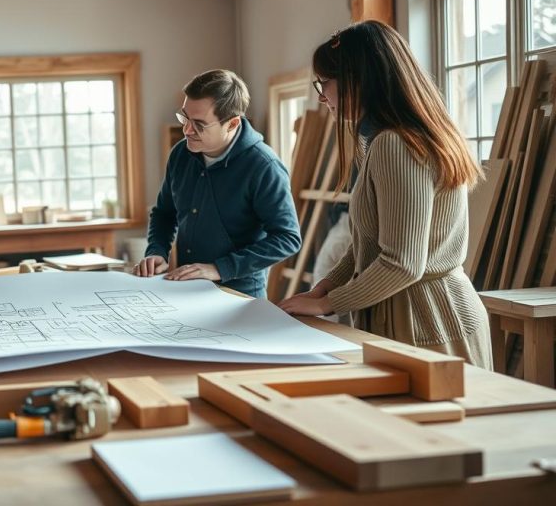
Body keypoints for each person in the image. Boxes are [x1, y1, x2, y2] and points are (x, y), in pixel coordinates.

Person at [279, 20, 492, 369]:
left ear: (357, 80)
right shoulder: (390, 139)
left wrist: (328, 304)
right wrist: (328, 286)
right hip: (420, 313)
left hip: (425, 321)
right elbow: (369, 241)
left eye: (325, 83)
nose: (321, 96)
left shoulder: (397, 145)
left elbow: (402, 263)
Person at [133, 69, 301, 298]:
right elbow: (164, 213)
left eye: (199, 124)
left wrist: (219, 269)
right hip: (186, 290)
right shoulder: (180, 154)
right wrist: (157, 251)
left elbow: (287, 238)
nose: (187, 130)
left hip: (240, 297)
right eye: (185, 118)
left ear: (232, 123)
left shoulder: (263, 166)